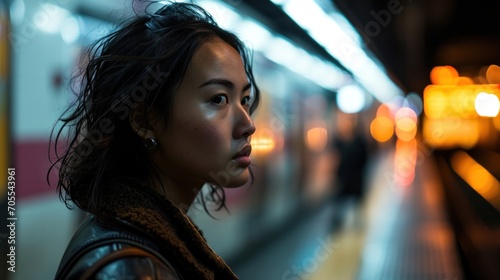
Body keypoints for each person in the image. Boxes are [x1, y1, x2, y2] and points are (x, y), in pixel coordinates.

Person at [49, 2, 260, 279]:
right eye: (218, 99)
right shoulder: (130, 271)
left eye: (244, 100)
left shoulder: (142, 236)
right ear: (145, 121)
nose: (249, 125)